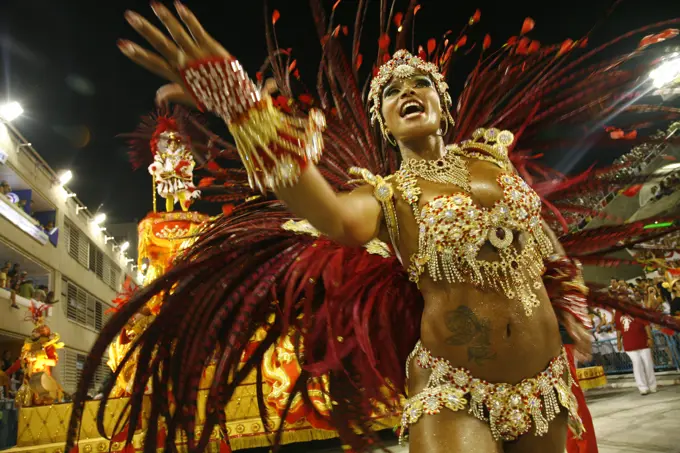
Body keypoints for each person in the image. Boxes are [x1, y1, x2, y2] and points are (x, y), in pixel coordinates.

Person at [66, 3, 680, 453]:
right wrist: (239, 102)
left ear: (444, 102)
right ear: (386, 124)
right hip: (455, 388)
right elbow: (328, 214)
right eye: (392, 93)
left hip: (544, 384)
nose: (408, 92)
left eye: (420, 85)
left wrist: (567, 293)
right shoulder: (387, 196)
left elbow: (547, 247)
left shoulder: (495, 161)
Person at [615, 307, 657, 395]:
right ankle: (643, 387)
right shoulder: (618, 312)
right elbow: (618, 328)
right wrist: (618, 341)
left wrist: (649, 337)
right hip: (629, 344)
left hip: (643, 342)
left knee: (648, 364)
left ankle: (652, 385)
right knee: (637, 363)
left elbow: (646, 324)